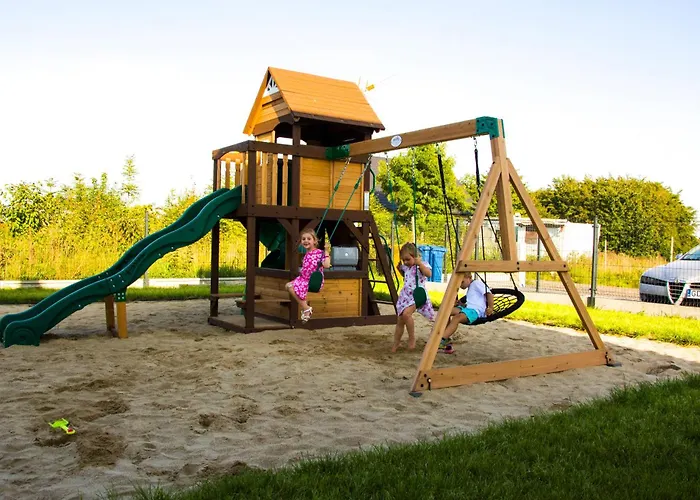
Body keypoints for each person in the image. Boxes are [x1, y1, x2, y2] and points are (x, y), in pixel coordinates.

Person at [392, 243, 436, 352]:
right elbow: (407, 276)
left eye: (408, 259)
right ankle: (396, 343)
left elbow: (429, 274)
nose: (406, 262)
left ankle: (411, 338)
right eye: (403, 260)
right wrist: (399, 269)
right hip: (406, 296)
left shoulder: (421, 265)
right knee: (400, 320)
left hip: (417, 295)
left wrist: (419, 264)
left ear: (415, 256)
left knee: (406, 314)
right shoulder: (406, 267)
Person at [439, 272, 494, 354]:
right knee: (446, 311)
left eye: (462, 282)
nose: (460, 285)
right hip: (468, 309)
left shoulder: (476, 283)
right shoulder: (471, 286)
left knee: (456, 318)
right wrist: (461, 304)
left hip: (476, 311)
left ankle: (442, 339)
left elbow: (489, 294)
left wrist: (490, 308)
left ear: (469, 278)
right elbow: (472, 302)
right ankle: (446, 336)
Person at [286, 229, 330, 322]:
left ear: (315, 241)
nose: (306, 241)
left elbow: (326, 265)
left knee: (290, 287)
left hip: (312, 281)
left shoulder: (319, 253)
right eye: (303, 239)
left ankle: (306, 308)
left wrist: (326, 252)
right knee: (287, 286)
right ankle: (305, 306)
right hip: (303, 278)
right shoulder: (306, 254)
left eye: (309, 239)